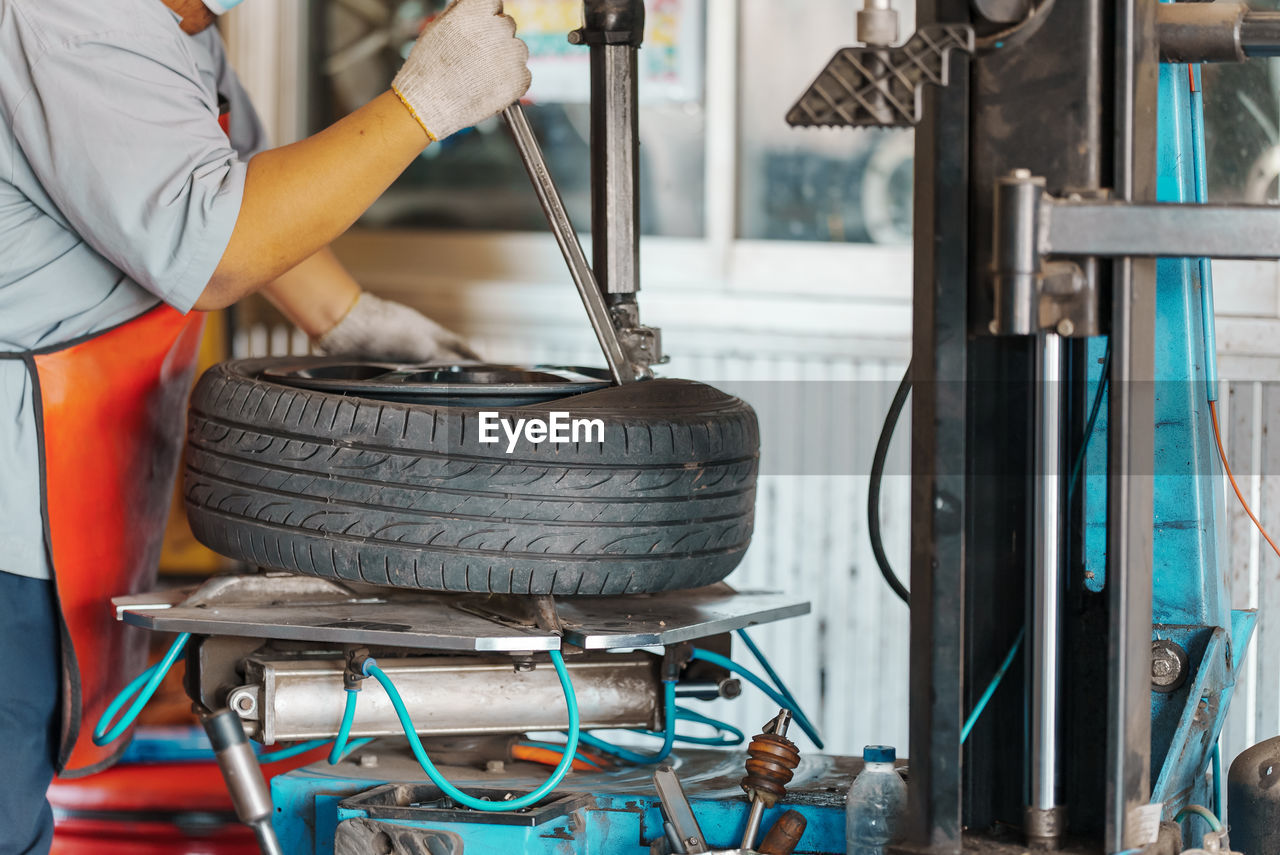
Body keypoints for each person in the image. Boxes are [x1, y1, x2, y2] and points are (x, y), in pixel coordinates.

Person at [0, 0, 531, 850]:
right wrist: (420, 106)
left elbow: (239, 177)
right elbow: (217, 242)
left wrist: (351, 320)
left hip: (70, 493)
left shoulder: (177, 28)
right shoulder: (69, 11)